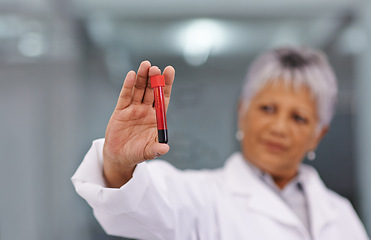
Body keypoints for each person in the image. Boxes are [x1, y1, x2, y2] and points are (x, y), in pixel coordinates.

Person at [71, 47, 370, 240]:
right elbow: (142, 202)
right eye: (267, 109)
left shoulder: (339, 213)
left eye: (299, 118)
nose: (279, 127)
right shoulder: (202, 198)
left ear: (318, 134)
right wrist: (119, 164)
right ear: (243, 112)